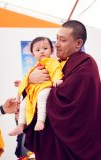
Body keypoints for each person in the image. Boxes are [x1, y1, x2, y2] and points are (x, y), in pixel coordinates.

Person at [24, 20, 101, 160]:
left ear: (78, 43)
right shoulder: (57, 64)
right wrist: (29, 80)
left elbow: (65, 97)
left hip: (76, 142)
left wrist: (38, 88)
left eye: (63, 40)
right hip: (51, 141)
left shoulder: (86, 64)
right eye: (57, 38)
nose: (57, 44)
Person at [9, 37, 64, 136]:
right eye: (38, 50)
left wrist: (56, 80)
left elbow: (56, 71)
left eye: (45, 48)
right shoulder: (35, 66)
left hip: (46, 87)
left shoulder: (53, 62)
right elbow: (28, 78)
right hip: (35, 90)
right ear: (33, 54)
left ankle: (41, 120)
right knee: (24, 102)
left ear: (51, 50)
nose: (42, 51)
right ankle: (21, 125)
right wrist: (22, 83)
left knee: (42, 96)